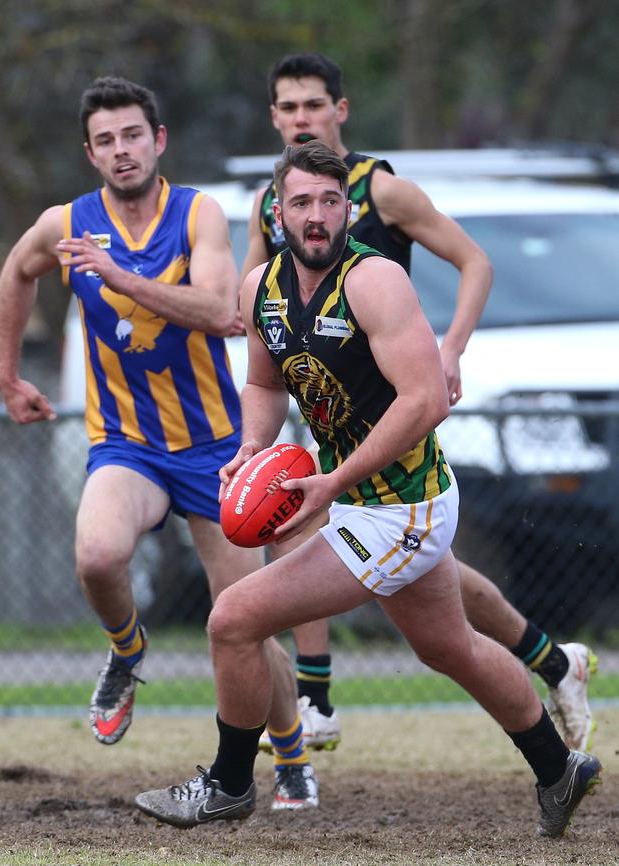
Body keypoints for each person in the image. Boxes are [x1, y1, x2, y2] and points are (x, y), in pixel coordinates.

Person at [135, 142, 601, 835]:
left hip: (401, 506)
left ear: (348, 209)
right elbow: (264, 383)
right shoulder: (259, 287)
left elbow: (424, 402)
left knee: (233, 618)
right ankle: (559, 770)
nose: (317, 216)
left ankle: (229, 785)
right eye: (301, 203)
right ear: (276, 211)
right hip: (363, 502)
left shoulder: (374, 281)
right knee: (451, 648)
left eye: (330, 201)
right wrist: (251, 448)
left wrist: (332, 485)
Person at [242, 52, 595, 756]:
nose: (301, 118)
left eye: (314, 104)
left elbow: (476, 261)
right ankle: (550, 664)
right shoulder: (269, 202)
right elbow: (259, 294)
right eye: (288, 107)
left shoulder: (381, 191)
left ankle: (318, 698)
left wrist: (453, 347)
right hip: (325, 410)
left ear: (340, 110)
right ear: (275, 118)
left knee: (392, 558)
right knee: (385, 562)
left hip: (395, 406)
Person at [0, 75, 318, 810]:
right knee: (97, 553)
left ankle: (291, 753)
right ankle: (128, 650)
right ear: (91, 153)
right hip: (127, 444)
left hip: (215, 447)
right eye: (105, 140)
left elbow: (217, 310)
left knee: (243, 620)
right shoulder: (67, 223)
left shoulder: (196, 213)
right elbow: (16, 270)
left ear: (158, 139)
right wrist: (8, 375)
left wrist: (116, 274)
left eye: (132, 134)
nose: (121, 150)